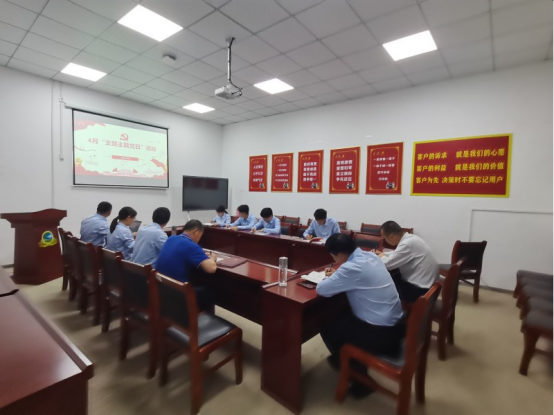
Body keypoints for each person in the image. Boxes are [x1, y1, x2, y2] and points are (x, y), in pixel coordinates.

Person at [317, 233, 405, 398]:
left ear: (339, 254)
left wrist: (334, 276)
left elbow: (322, 289)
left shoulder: (351, 268)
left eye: (333, 256)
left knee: (326, 324)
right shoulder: (371, 257)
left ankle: (357, 375)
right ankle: (350, 360)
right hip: (398, 326)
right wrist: (339, 275)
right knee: (343, 316)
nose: (334, 260)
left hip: (382, 336)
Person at [154, 220, 217, 311]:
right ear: (196, 232)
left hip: (160, 289)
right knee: (208, 292)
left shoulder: (171, 238)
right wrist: (212, 258)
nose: (199, 239)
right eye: (200, 236)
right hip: (177, 294)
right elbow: (211, 268)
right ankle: (199, 318)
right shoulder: (191, 245)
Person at [376, 221, 439, 304]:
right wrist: (383, 253)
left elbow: (387, 264)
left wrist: (381, 256)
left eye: (384, 238)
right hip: (428, 286)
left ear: (391, 236)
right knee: (393, 275)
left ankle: (385, 305)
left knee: (384, 279)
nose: (385, 240)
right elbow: (398, 253)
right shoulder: (412, 238)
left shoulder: (407, 244)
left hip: (419, 291)